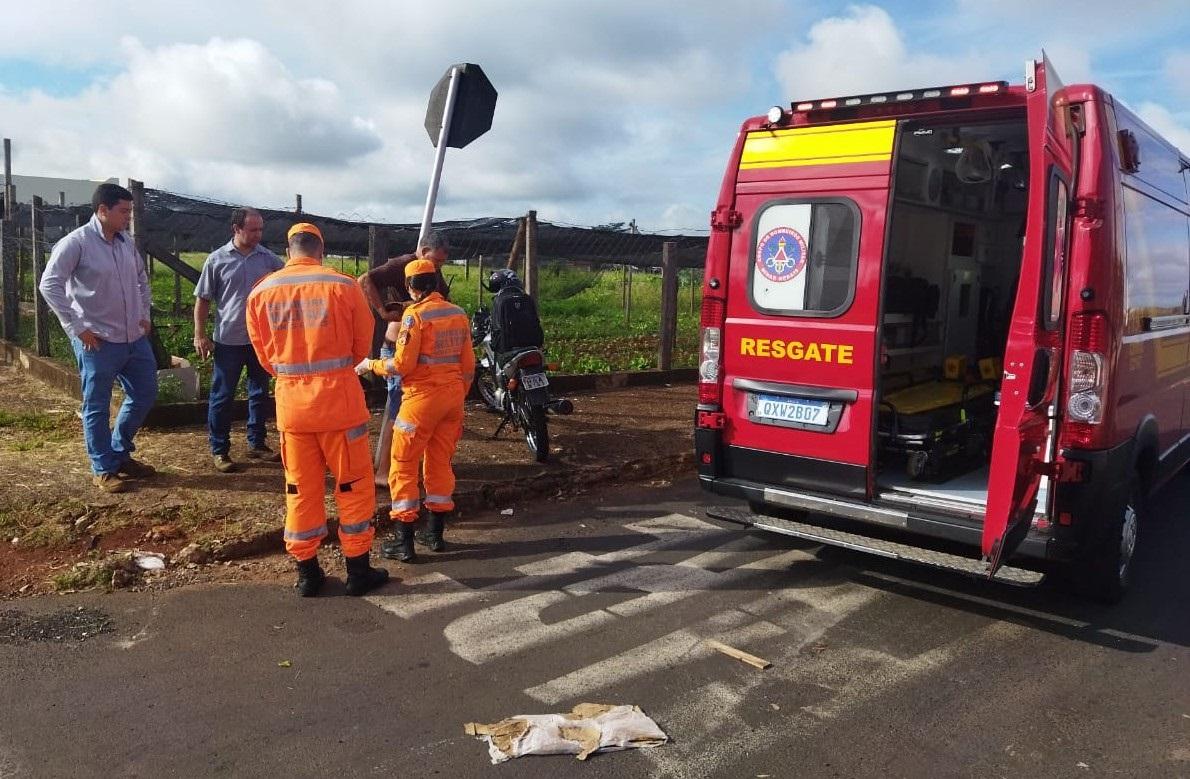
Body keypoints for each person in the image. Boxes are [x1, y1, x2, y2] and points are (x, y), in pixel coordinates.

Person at [246, 222, 389, 597]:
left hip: (293, 410)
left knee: (300, 490)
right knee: (353, 486)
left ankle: (307, 573)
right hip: (340, 406)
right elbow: (361, 347)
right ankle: (358, 570)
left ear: (288, 249)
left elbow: (265, 358)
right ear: (320, 250)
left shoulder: (262, 292)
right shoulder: (343, 286)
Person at [38, 182, 158, 494]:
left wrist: (144, 315)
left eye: (130, 212)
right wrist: (77, 327)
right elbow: (49, 285)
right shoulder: (75, 243)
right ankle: (103, 468)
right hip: (98, 341)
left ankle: (119, 453)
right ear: (102, 210)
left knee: (145, 393)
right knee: (97, 405)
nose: (128, 218)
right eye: (123, 211)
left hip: (133, 337)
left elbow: (141, 279)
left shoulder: (125, 242)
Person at [355, 258, 473, 562]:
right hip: (452, 400)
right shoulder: (458, 314)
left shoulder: (414, 317)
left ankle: (403, 541)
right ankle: (434, 534)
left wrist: (372, 365)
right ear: (434, 283)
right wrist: (458, 394)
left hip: (421, 401)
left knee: (403, 465)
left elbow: (402, 365)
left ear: (410, 287)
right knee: (439, 464)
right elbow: (468, 367)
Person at [193, 207, 284, 473]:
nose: (258, 234)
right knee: (222, 395)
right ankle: (219, 449)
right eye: (253, 229)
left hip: (261, 340)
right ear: (236, 229)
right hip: (229, 340)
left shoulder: (268, 260)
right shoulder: (217, 260)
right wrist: (200, 334)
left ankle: (257, 443)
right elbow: (203, 300)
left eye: (261, 230)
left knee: (260, 392)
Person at [356, 231, 452, 484]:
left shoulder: (433, 275)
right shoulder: (402, 265)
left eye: (441, 264)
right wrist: (382, 312)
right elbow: (365, 279)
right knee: (399, 409)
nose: (437, 267)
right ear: (423, 251)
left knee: (412, 411)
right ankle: (384, 471)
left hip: (420, 351)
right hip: (397, 346)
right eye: (435, 261)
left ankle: (404, 464)